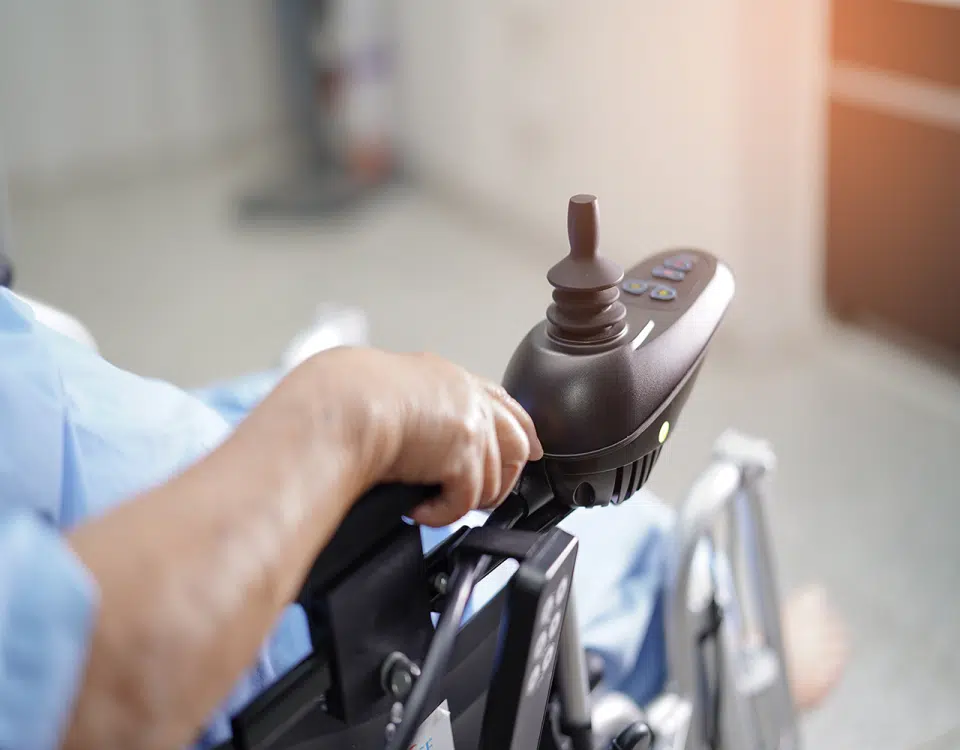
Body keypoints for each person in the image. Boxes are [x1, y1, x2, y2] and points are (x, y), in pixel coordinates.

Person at [0, 290, 846, 750]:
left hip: (120, 435)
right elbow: (86, 682)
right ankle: (738, 658)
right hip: (208, 603)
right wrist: (346, 414)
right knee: (628, 547)